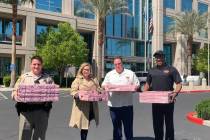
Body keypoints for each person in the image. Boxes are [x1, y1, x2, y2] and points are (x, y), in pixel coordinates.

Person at [11, 55, 54, 140]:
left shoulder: (48, 79)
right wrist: (16, 96)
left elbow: (53, 94)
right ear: (31, 65)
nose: (36, 66)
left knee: (40, 137)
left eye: (38, 64)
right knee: (24, 136)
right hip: (26, 112)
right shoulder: (24, 77)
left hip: (42, 112)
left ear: (42, 65)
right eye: (34, 64)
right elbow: (14, 92)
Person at [143, 50, 182, 140]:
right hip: (156, 103)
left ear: (164, 57)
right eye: (157, 57)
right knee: (157, 125)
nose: (158, 59)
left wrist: (175, 93)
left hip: (168, 102)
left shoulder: (171, 69)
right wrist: (144, 93)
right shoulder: (151, 70)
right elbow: (147, 84)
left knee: (169, 124)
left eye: (160, 57)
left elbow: (179, 84)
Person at [102, 56, 140, 140]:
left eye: (119, 63)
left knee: (128, 128)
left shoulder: (130, 73)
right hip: (114, 106)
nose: (117, 66)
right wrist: (106, 87)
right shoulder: (109, 74)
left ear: (122, 64)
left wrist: (134, 88)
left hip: (127, 105)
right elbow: (104, 85)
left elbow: (137, 84)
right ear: (113, 65)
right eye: (115, 64)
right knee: (116, 129)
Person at [69, 62, 100, 140]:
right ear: (82, 70)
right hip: (82, 107)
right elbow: (73, 91)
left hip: (92, 106)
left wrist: (100, 93)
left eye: (88, 69)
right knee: (84, 126)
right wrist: (77, 95)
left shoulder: (94, 79)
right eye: (85, 69)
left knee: (86, 125)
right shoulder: (78, 80)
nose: (86, 71)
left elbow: (99, 89)